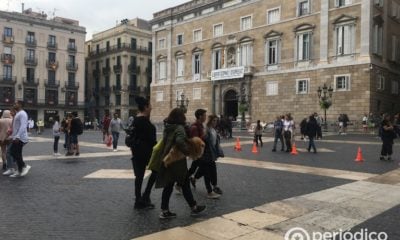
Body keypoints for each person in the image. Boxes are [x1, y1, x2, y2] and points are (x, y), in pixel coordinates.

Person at [156, 108, 206, 219]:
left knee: (169, 185)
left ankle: (165, 210)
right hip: (177, 160)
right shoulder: (179, 128)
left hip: (168, 158)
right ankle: (193, 207)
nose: (184, 117)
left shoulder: (168, 127)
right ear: (180, 117)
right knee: (184, 183)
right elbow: (179, 141)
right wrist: (187, 151)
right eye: (183, 115)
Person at [130, 97, 157, 209]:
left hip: (136, 152)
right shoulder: (146, 123)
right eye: (150, 106)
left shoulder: (135, 120)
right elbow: (152, 141)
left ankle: (138, 200)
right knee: (156, 170)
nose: (151, 107)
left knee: (139, 177)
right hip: (146, 153)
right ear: (145, 107)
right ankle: (145, 195)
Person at [200, 115, 223, 198]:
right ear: (210, 121)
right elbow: (203, 140)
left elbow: (215, 142)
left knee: (213, 171)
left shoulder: (214, 130)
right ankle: (209, 191)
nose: (215, 122)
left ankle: (215, 186)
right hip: (206, 154)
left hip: (212, 154)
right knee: (207, 173)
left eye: (216, 121)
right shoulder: (206, 129)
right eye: (214, 121)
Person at [187, 109, 207, 190]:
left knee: (194, 168)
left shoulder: (201, 126)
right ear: (200, 116)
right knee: (204, 167)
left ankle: (192, 179)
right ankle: (180, 183)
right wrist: (205, 136)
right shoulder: (195, 127)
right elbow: (195, 141)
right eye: (204, 115)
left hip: (201, 152)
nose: (205, 117)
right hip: (198, 152)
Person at [9, 101, 31, 177]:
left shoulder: (22, 113)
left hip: (20, 138)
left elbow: (23, 126)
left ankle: (24, 166)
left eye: (16, 103)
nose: (14, 104)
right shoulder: (18, 113)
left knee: (13, 152)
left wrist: (17, 136)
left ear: (20, 105)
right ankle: (20, 170)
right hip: (17, 137)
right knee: (16, 153)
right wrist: (12, 136)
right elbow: (16, 127)